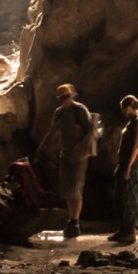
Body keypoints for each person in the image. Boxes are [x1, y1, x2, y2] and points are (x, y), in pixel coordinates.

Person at [40, 84, 95, 239]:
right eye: (61, 98)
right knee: (67, 190)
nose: (64, 100)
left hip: (78, 157)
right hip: (65, 156)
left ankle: (75, 222)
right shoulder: (59, 113)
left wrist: (81, 150)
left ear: (71, 96)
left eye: (66, 97)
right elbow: (53, 131)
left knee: (75, 188)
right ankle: (72, 220)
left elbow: (91, 131)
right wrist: (44, 149)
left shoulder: (80, 110)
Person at [111, 95, 138, 244]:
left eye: (124, 108)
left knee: (130, 198)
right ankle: (122, 230)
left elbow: (136, 146)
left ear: (129, 107)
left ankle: (130, 232)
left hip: (132, 164)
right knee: (120, 197)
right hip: (125, 163)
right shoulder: (131, 122)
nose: (123, 111)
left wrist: (128, 167)